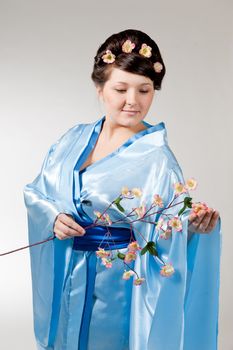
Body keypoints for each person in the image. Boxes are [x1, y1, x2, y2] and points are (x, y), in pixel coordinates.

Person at [23, 29, 221, 350]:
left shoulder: (158, 158)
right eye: (120, 88)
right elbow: (37, 193)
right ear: (100, 88)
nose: (133, 101)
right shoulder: (72, 139)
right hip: (69, 272)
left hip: (119, 283)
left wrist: (192, 225)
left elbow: (169, 227)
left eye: (144, 90)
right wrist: (53, 217)